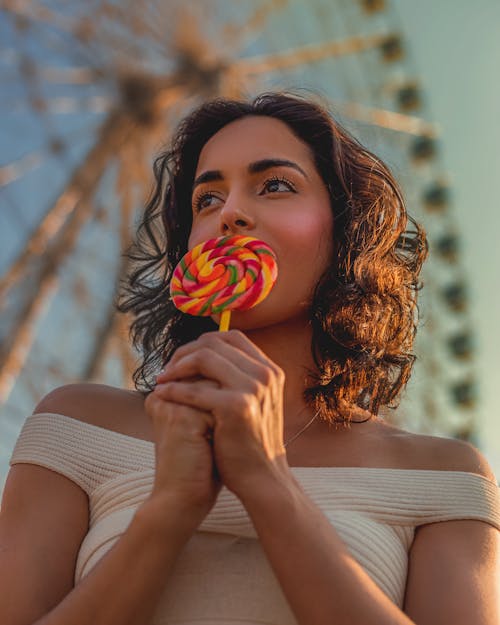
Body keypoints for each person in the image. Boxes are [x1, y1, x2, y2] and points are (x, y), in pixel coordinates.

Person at [1, 91, 499, 625]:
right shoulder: (76, 423)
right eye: (206, 200)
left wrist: (267, 481)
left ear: (348, 230)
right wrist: (170, 508)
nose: (231, 213)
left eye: (276, 186)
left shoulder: (443, 472)